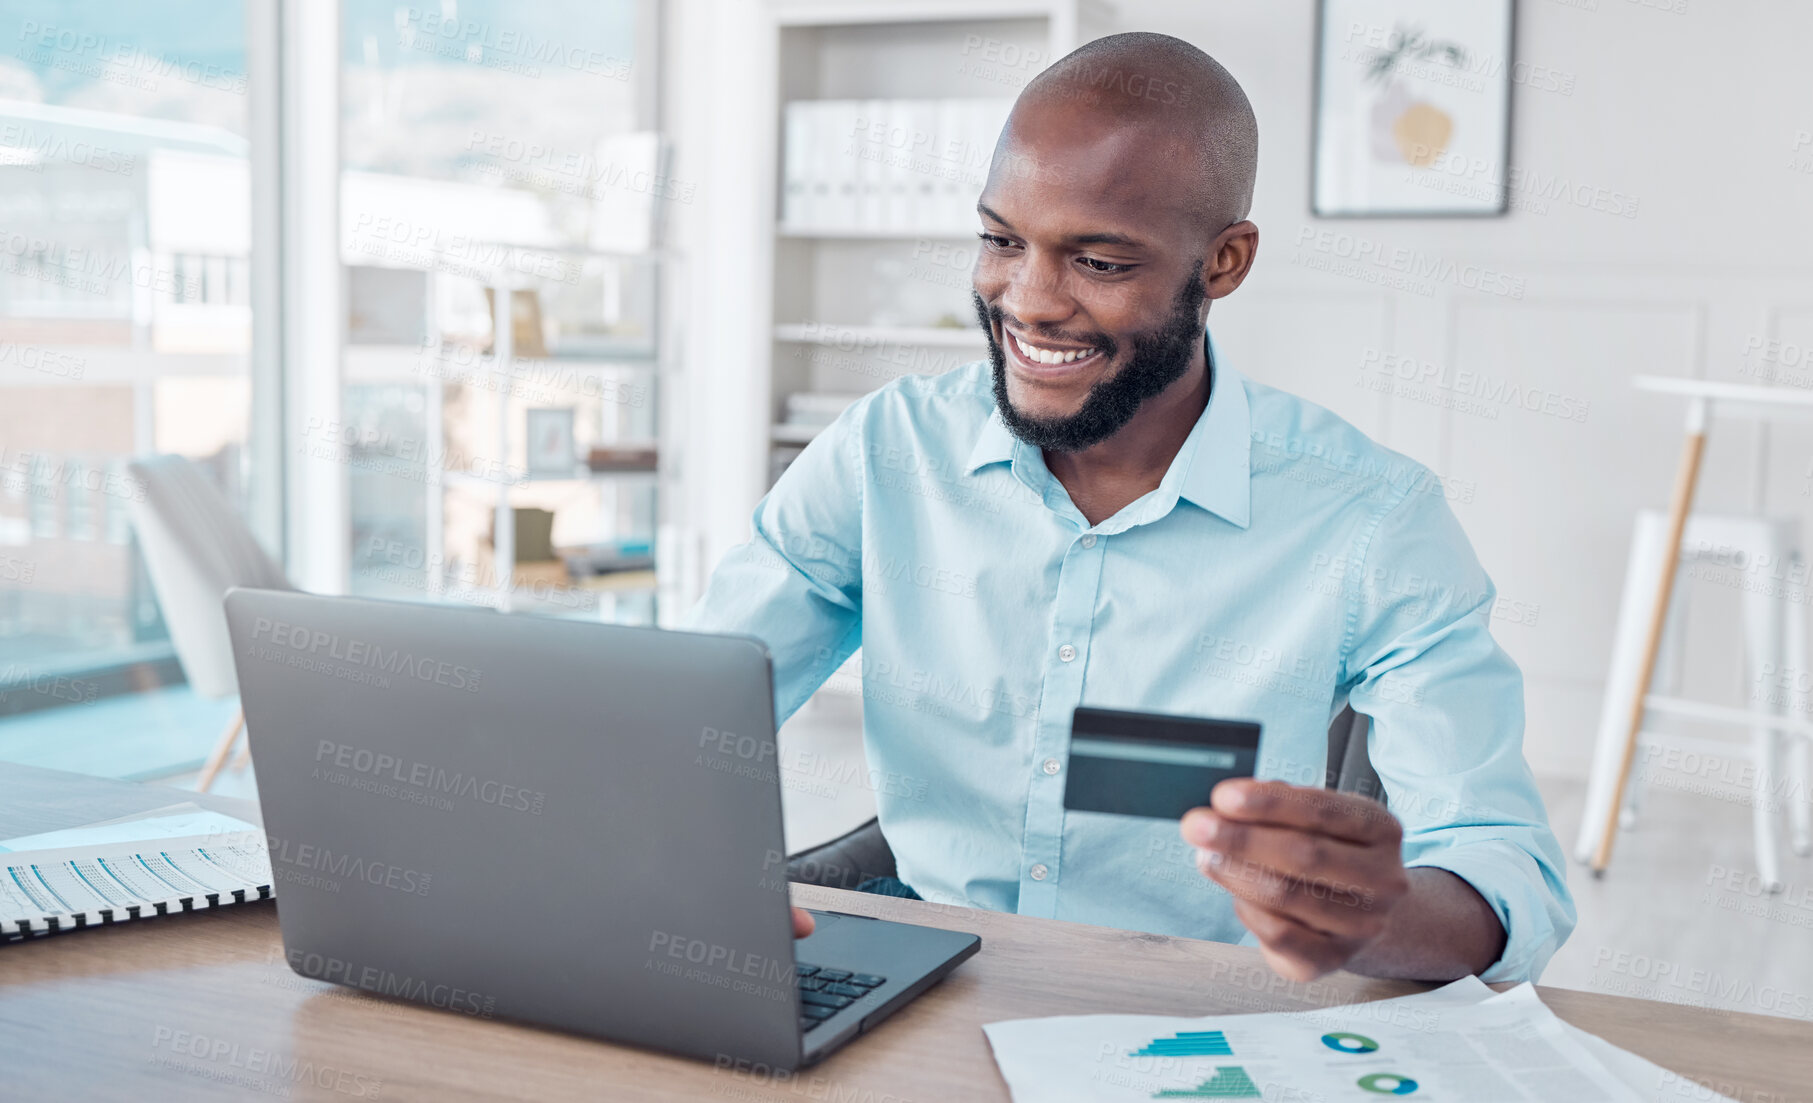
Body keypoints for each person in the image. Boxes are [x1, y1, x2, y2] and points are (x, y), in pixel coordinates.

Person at [687, 31, 1573, 983]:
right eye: (999, 240)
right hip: (925, 976)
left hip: (1194, 1010)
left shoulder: (1368, 518)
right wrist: (675, 875)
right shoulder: (883, 452)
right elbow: (689, 710)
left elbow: (1505, 866)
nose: (1028, 301)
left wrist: (1382, 914)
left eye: (1099, 263)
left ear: (1223, 262)